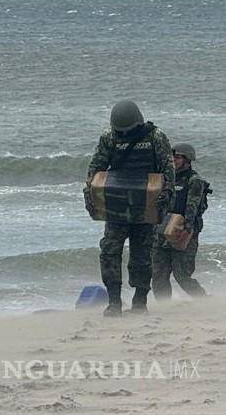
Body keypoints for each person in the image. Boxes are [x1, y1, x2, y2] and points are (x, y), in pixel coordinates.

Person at [86, 100, 174, 317]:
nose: (124, 133)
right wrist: (90, 195)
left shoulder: (155, 137)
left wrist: (165, 197)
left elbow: (168, 169)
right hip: (116, 206)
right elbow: (96, 168)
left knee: (142, 254)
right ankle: (114, 301)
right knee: (109, 250)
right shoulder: (109, 137)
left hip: (146, 204)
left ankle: (140, 300)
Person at [152, 143, 210, 300]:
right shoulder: (166, 179)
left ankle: (204, 301)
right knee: (158, 275)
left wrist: (187, 229)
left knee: (182, 275)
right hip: (162, 231)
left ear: (187, 159)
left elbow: (193, 207)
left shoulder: (194, 180)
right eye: (172, 157)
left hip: (183, 231)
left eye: (177, 157)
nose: (173, 160)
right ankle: (164, 306)